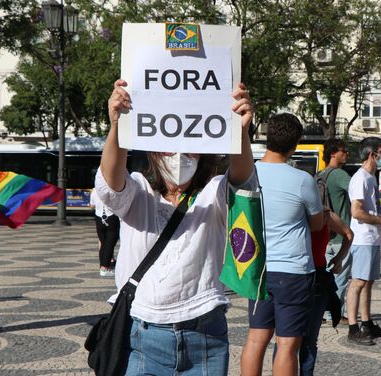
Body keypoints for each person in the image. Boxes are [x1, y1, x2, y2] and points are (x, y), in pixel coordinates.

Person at [95, 79, 255, 375]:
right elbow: (110, 185)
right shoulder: (139, 191)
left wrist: (239, 132)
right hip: (142, 336)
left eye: (191, 149)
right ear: (153, 151)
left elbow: (242, 183)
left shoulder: (215, 192)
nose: (179, 156)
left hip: (204, 337)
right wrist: (117, 125)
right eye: (167, 147)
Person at [241, 113, 324, 376]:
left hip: (258, 269)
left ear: (267, 137)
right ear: (296, 142)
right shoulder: (302, 180)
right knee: (287, 345)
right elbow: (317, 224)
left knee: (256, 339)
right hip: (293, 271)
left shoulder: (248, 173)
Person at [346, 137, 381, 346]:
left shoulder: (372, 177)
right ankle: (352, 328)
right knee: (358, 282)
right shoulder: (361, 179)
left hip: (372, 237)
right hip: (362, 238)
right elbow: (356, 212)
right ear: (372, 154)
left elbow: (371, 208)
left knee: (368, 281)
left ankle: (367, 323)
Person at [300, 203, 353, 375]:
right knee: (304, 340)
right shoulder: (323, 213)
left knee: (291, 340)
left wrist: (338, 259)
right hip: (310, 280)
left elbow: (348, 234)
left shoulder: (324, 213)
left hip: (313, 280)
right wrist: (338, 259)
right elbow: (348, 234)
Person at [319, 138, 352, 323]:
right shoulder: (340, 175)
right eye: (343, 150)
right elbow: (357, 194)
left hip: (324, 235)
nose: (346, 153)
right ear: (333, 153)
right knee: (340, 278)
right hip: (341, 235)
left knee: (324, 277)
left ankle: (322, 312)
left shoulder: (319, 175)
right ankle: (335, 313)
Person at [89, 188, 119, 277]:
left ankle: (102, 266)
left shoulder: (94, 191)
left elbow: (91, 206)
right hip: (111, 218)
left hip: (99, 218)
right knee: (110, 244)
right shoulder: (112, 191)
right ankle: (105, 268)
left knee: (103, 243)